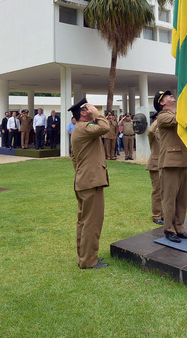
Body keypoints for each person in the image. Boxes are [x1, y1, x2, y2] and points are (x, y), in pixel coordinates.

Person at [68, 97, 111, 269]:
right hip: (90, 182)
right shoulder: (84, 127)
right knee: (92, 222)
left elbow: (74, 158)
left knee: (84, 221)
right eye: (89, 108)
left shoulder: (79, 129)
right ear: (84, 113)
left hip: (85, 180)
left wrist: (82, 173)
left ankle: (86, 256)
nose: (92, 109)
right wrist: (97, 113)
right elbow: (105, 127)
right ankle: (88, 261)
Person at [154, 91, 187, 243]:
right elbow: (180, 119)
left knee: (182, 198)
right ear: (162, 103)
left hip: (184, 160)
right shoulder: (162, 116)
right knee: (169, 198)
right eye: (167, 96)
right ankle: (169, 229)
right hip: (170, 162)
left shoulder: (177, 113)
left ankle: (180, 227)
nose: (171, 96)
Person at [145, 115, 163, 225]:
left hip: (165, 164)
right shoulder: (153, 134)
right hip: (155, 165)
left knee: (166, 191)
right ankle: (156, 215)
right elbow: (150, 131)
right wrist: (158, 120)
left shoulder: (164, 133)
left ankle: (164, 214)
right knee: (157, 191)